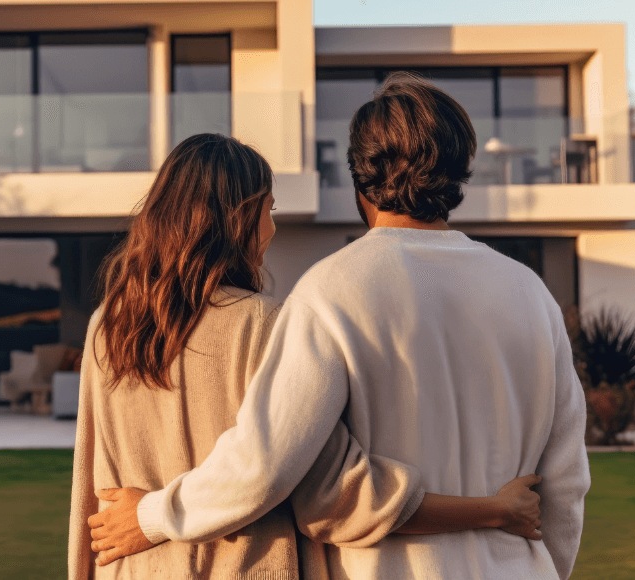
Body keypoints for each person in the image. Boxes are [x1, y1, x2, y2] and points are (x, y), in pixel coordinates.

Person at [88, 73, 591, 580]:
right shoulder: (532, 294)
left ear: (360, 179)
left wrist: (151, 514)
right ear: (460, 172)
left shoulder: (331, 291)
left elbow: (267, 465)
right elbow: (566, 484)